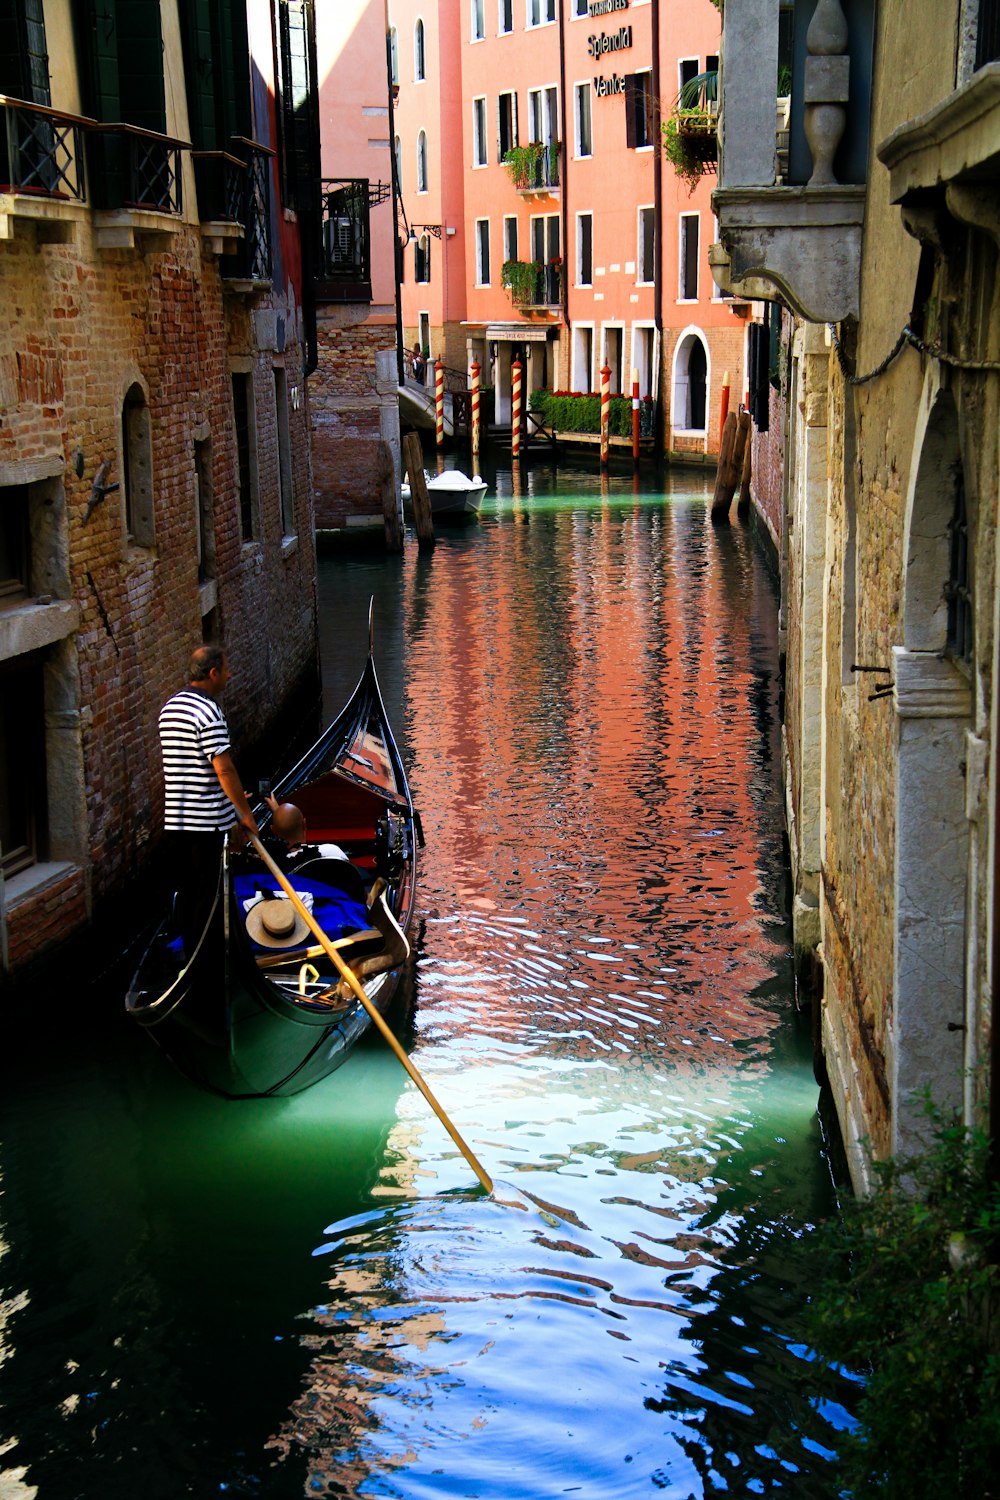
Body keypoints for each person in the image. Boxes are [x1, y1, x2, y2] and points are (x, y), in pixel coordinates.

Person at [159, 643, 259, 955]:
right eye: (226, 671)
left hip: (176, 820)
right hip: (206, 825)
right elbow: (224, 769)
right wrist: (244, 814)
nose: (229, 677)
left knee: (188, 894)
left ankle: (191, 957)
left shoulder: (169, 708)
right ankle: (208, 960)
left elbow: (190, 767)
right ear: (213, 673)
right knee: (210, 895)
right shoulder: (209, 711)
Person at [265, 797, 349, 870]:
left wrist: (279, 815)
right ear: (304, 824)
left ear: (273, 831)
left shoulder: (276, 867)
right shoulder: (332, 851)